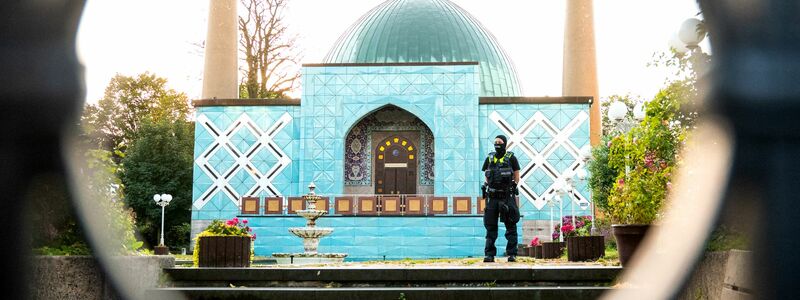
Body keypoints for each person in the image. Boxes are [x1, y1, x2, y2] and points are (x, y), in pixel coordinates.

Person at [481, 135, 521, 262]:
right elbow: (486, 174)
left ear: (505, 144)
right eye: (495, 142)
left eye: (500, 142)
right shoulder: (489, 157)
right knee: (490, 226)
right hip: (492, 197)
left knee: (511, 225)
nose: (497, 144)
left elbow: (516, 175)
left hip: (506, 196)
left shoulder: (511, 158)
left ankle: (512, 254)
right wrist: (487, 185)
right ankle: (489, 254)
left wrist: (513, 185)